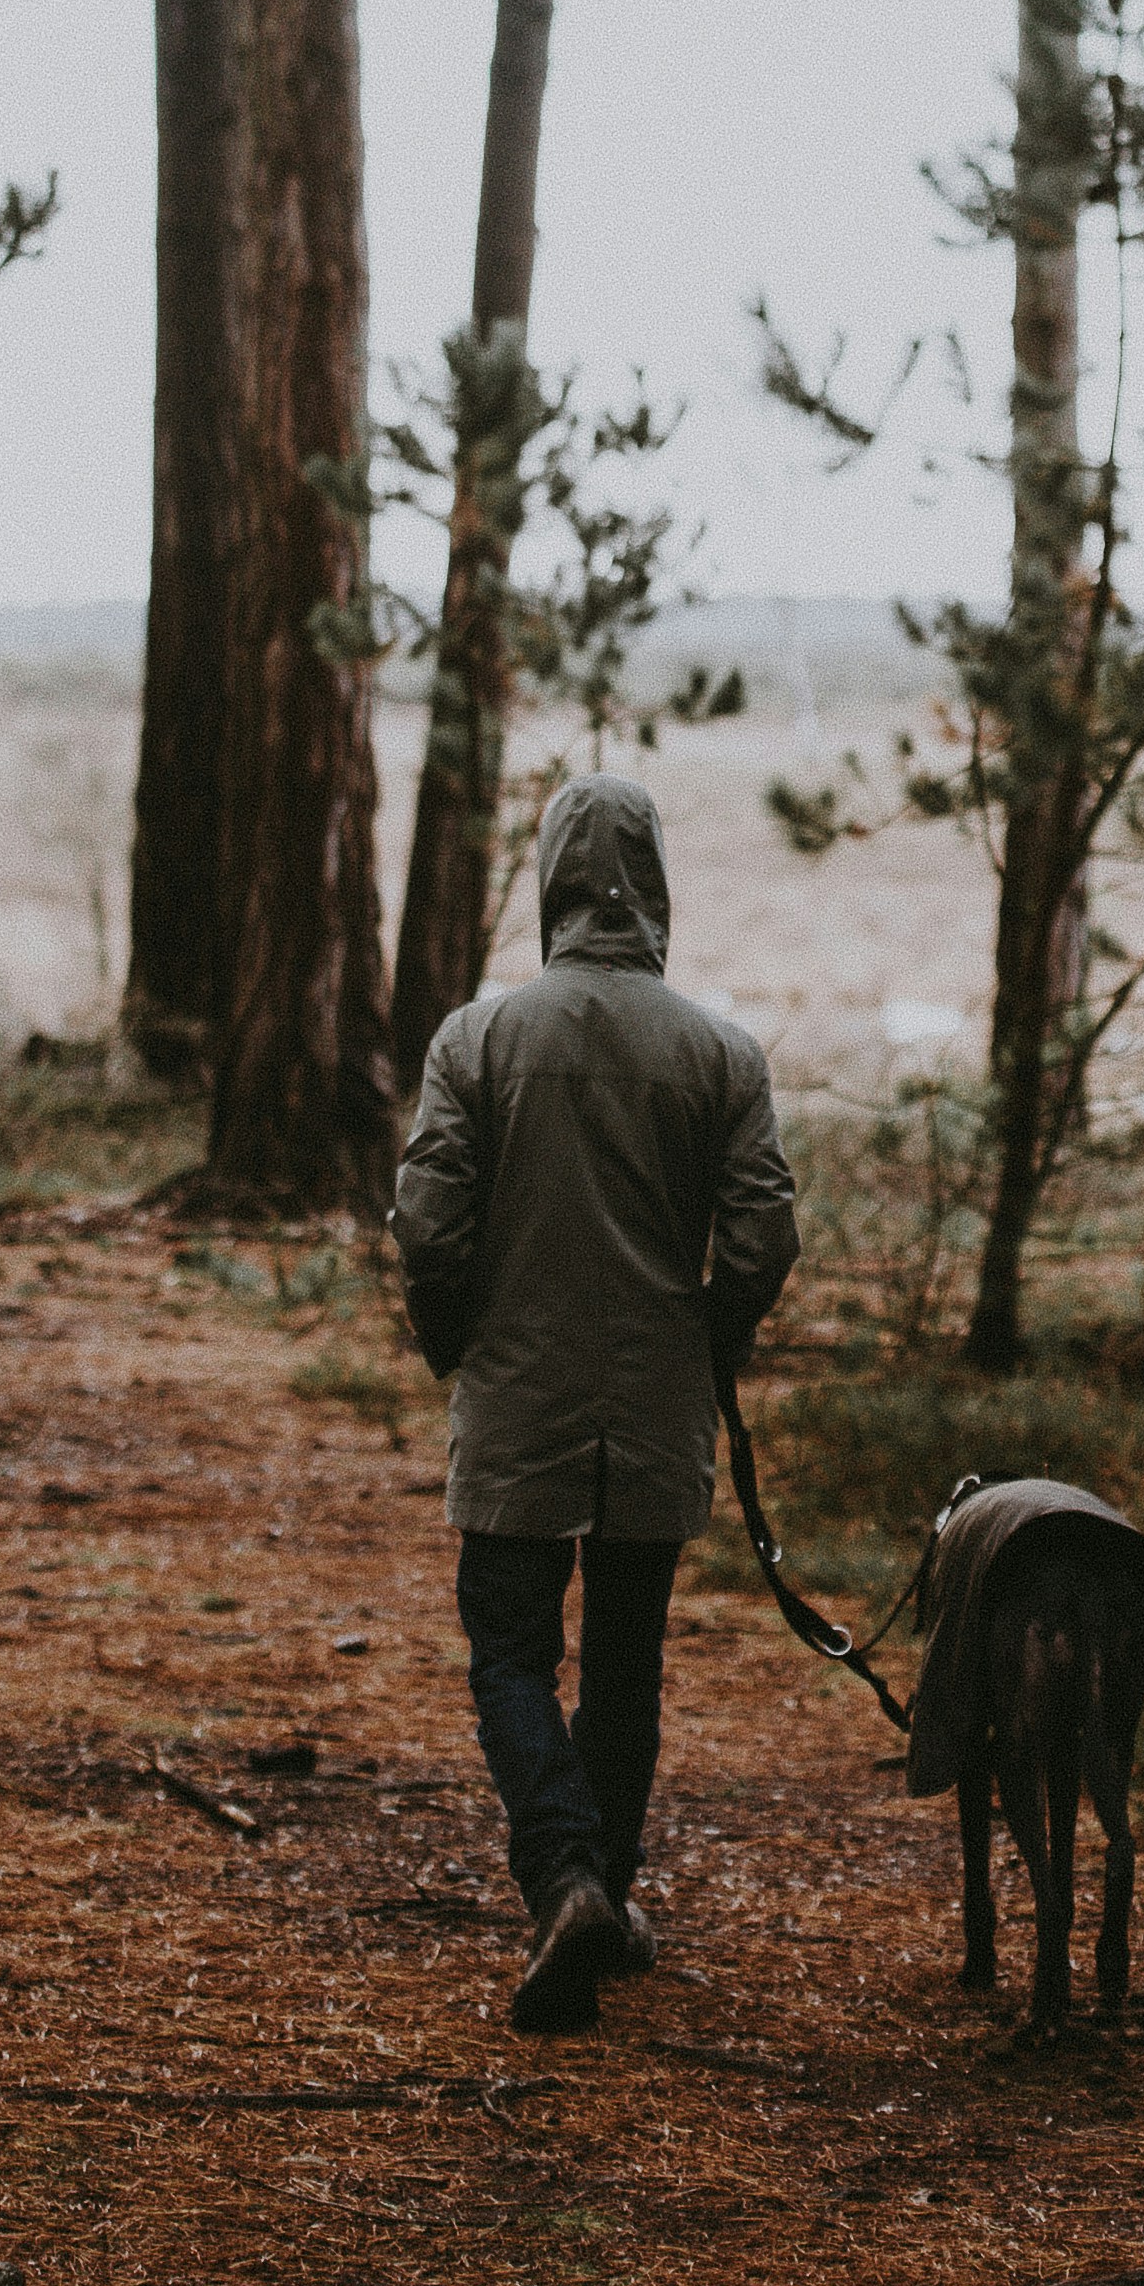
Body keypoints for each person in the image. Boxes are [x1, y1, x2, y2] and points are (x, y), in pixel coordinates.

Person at [388, 769, 800, 2035]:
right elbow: (765, 1233)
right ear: (656, 885)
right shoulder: (721, 1052)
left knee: (509, 1653)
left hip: (518, 1399)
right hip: (658, 1415)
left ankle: (568, 1880)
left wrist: (457, 1340)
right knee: (627, 1666)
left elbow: (427, 1223)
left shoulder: (477, 1039)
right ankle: (601, 1893)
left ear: (550, 885)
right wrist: (707, 1339)